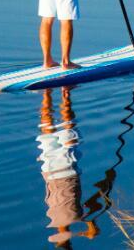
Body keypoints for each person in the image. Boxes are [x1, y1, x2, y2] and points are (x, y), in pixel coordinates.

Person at [37, 87, 98, 246]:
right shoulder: (51, 218)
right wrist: (83, 233)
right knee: (47, 127)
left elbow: (93, 228)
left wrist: (86, 234)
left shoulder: (79, 217)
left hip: (66, 170)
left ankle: (65, 92)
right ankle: (47, 92)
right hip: (49, 170)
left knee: (67, 127)